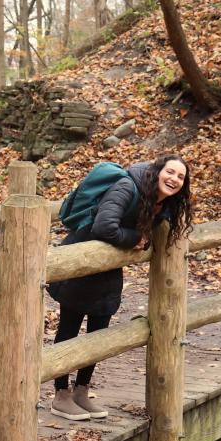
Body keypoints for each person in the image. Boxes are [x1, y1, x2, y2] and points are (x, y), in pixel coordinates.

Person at [47, 154, 193, 420]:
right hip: (80, 261)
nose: (174, 179)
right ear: (157, 171)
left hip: (107, 269)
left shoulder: (163, 204)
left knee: (99, 331)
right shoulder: (127, 186)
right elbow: (104, 226)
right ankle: (61, 394)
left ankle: (81, 390)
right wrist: (135, 237)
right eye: (170, 172)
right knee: (69, 327)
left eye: (180, 177)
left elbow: (147, 236)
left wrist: (143, 239)